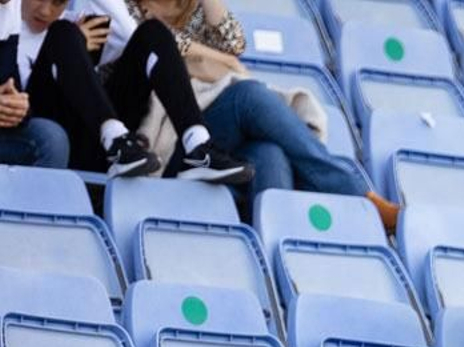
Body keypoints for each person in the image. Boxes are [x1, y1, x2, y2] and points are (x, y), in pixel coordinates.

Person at [97, 0, 400, 228]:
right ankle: (359, 198)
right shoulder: (127, 8)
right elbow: (155, 42)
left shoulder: (193, 12)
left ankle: (274, 252)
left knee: (267, 151)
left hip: (207, 127)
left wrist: (215, 53)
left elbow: (235, 41)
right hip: (160, 142)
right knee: (249, 97)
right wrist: (214, 57)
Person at [15, 0, 249, 180]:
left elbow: (133, 34)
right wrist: (69, 44)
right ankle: (115, 141)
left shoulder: (85, 25)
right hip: (40, 130)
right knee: (62, 32)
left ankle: (198, 146)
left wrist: (76, 47)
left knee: (154, 32)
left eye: (58, 2)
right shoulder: (8, 25)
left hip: (93, 142)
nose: (45, 11)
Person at [0, 0, 70, 167]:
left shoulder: (12, 5)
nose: (45, 11)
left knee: (51, 137)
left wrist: (16, 107)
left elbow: (9, 80)